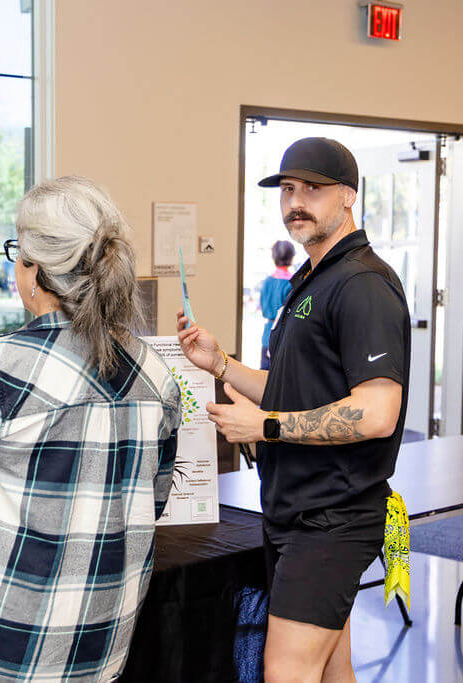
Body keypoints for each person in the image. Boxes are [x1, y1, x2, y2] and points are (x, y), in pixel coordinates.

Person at [0, 176, 180, 682]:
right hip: (104, 646)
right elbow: (152, 503)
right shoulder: (155, 374)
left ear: (35, 270)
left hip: (0, 649)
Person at [176, 137, 410, 682]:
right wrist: (221, 364)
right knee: (332, 669)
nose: (295, 202)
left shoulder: (363, 285)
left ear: (348, 196)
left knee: (286, 671)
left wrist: (267, 427)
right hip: (294, 512)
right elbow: (294, 390)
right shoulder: (312, 279)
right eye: (286, 189)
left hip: (332, 520)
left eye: (312, 189)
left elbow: (377, 412)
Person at [259, 240, 295, 369]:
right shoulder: (292, 283)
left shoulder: (267, 281)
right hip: (283, 336)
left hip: (267, 335)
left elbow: (263, 307)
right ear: (291, 257)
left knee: (263, 376)